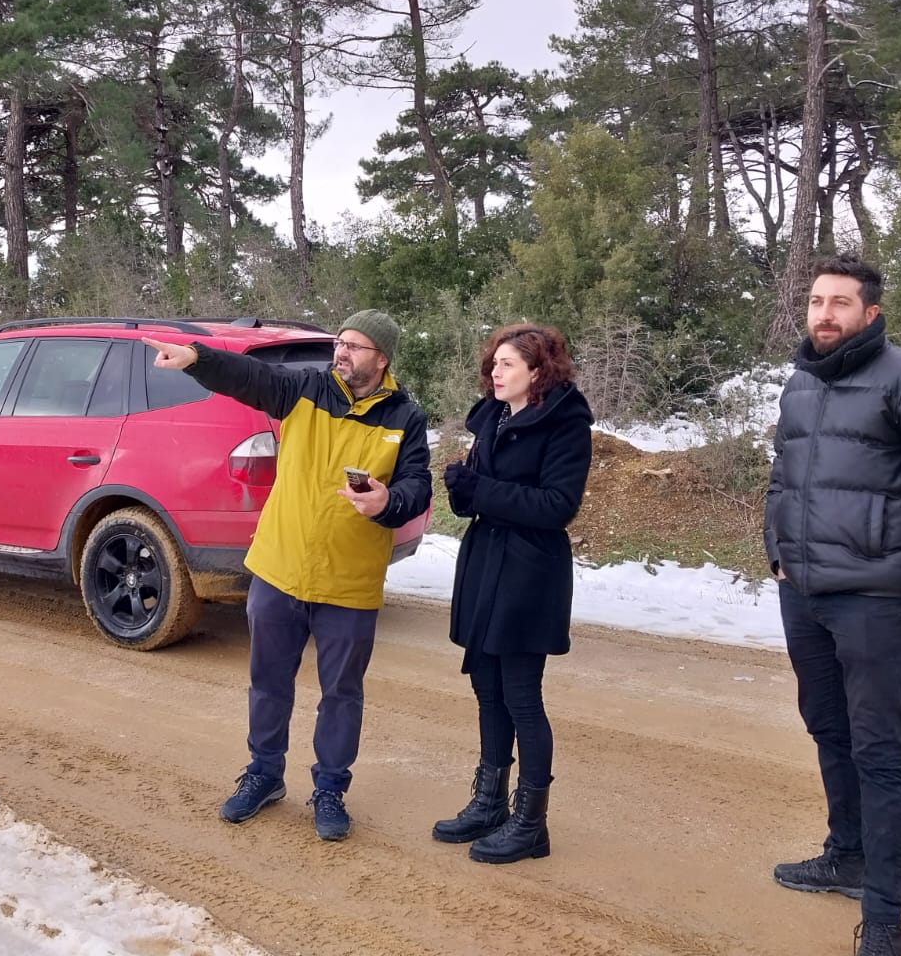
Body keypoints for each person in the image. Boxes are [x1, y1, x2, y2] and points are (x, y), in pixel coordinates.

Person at [143, 310, 430, 842]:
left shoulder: (405, 418)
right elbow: (250, 378)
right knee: (269, 683)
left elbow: (418, 485)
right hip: (280, 568)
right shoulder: (304, 390)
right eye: (339, 343)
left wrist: (389, 500)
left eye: (355, 346)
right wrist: (198, 360)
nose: (341, 353)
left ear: (382, 358)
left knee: (341, 693)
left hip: (350, 580)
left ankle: (329, 789)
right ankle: (264, 774)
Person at [765, 254, 901, 956]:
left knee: (880, 754)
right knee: (828, 729)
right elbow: (783, 479)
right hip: (805, 593)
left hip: (876, 600)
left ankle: (885, 916)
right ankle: (846, 855)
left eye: (841, 303)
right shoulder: (800, 383)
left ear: (870, 314)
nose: (824, 313)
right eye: (817, 301)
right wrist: (778, 556)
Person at [433, 323, 591, 864]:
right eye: (493, 363)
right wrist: (463, 491)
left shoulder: (566, 424)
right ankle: (489, 802)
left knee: (522, 697)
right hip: (485, 564)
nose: (494, 372)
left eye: (506, 364)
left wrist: (484, 492)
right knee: (486, 688)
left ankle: (531, 823)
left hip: (529, 571)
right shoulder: (494, 417)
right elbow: (480, 496)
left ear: (537, 371)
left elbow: (555, 507)